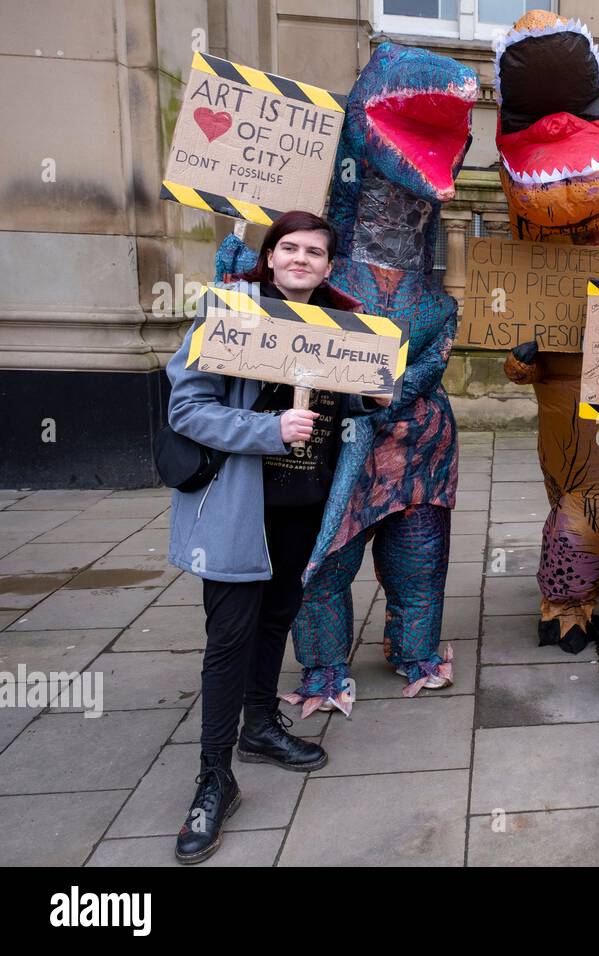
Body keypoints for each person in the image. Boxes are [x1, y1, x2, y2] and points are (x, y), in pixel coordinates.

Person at [166, 211, 385, 863]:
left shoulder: (338, 325)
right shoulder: (231, 311)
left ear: (328, 265)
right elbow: (187, 408)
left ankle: (260, 725)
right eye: (288, 247)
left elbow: (342, 403)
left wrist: (367, 398)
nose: (300, 259)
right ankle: (213, 779)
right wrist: (267, 431)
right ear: (270, 255)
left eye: (315, 252)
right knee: (229, 639)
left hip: (301, 504)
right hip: (239, 509)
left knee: (275, 622)